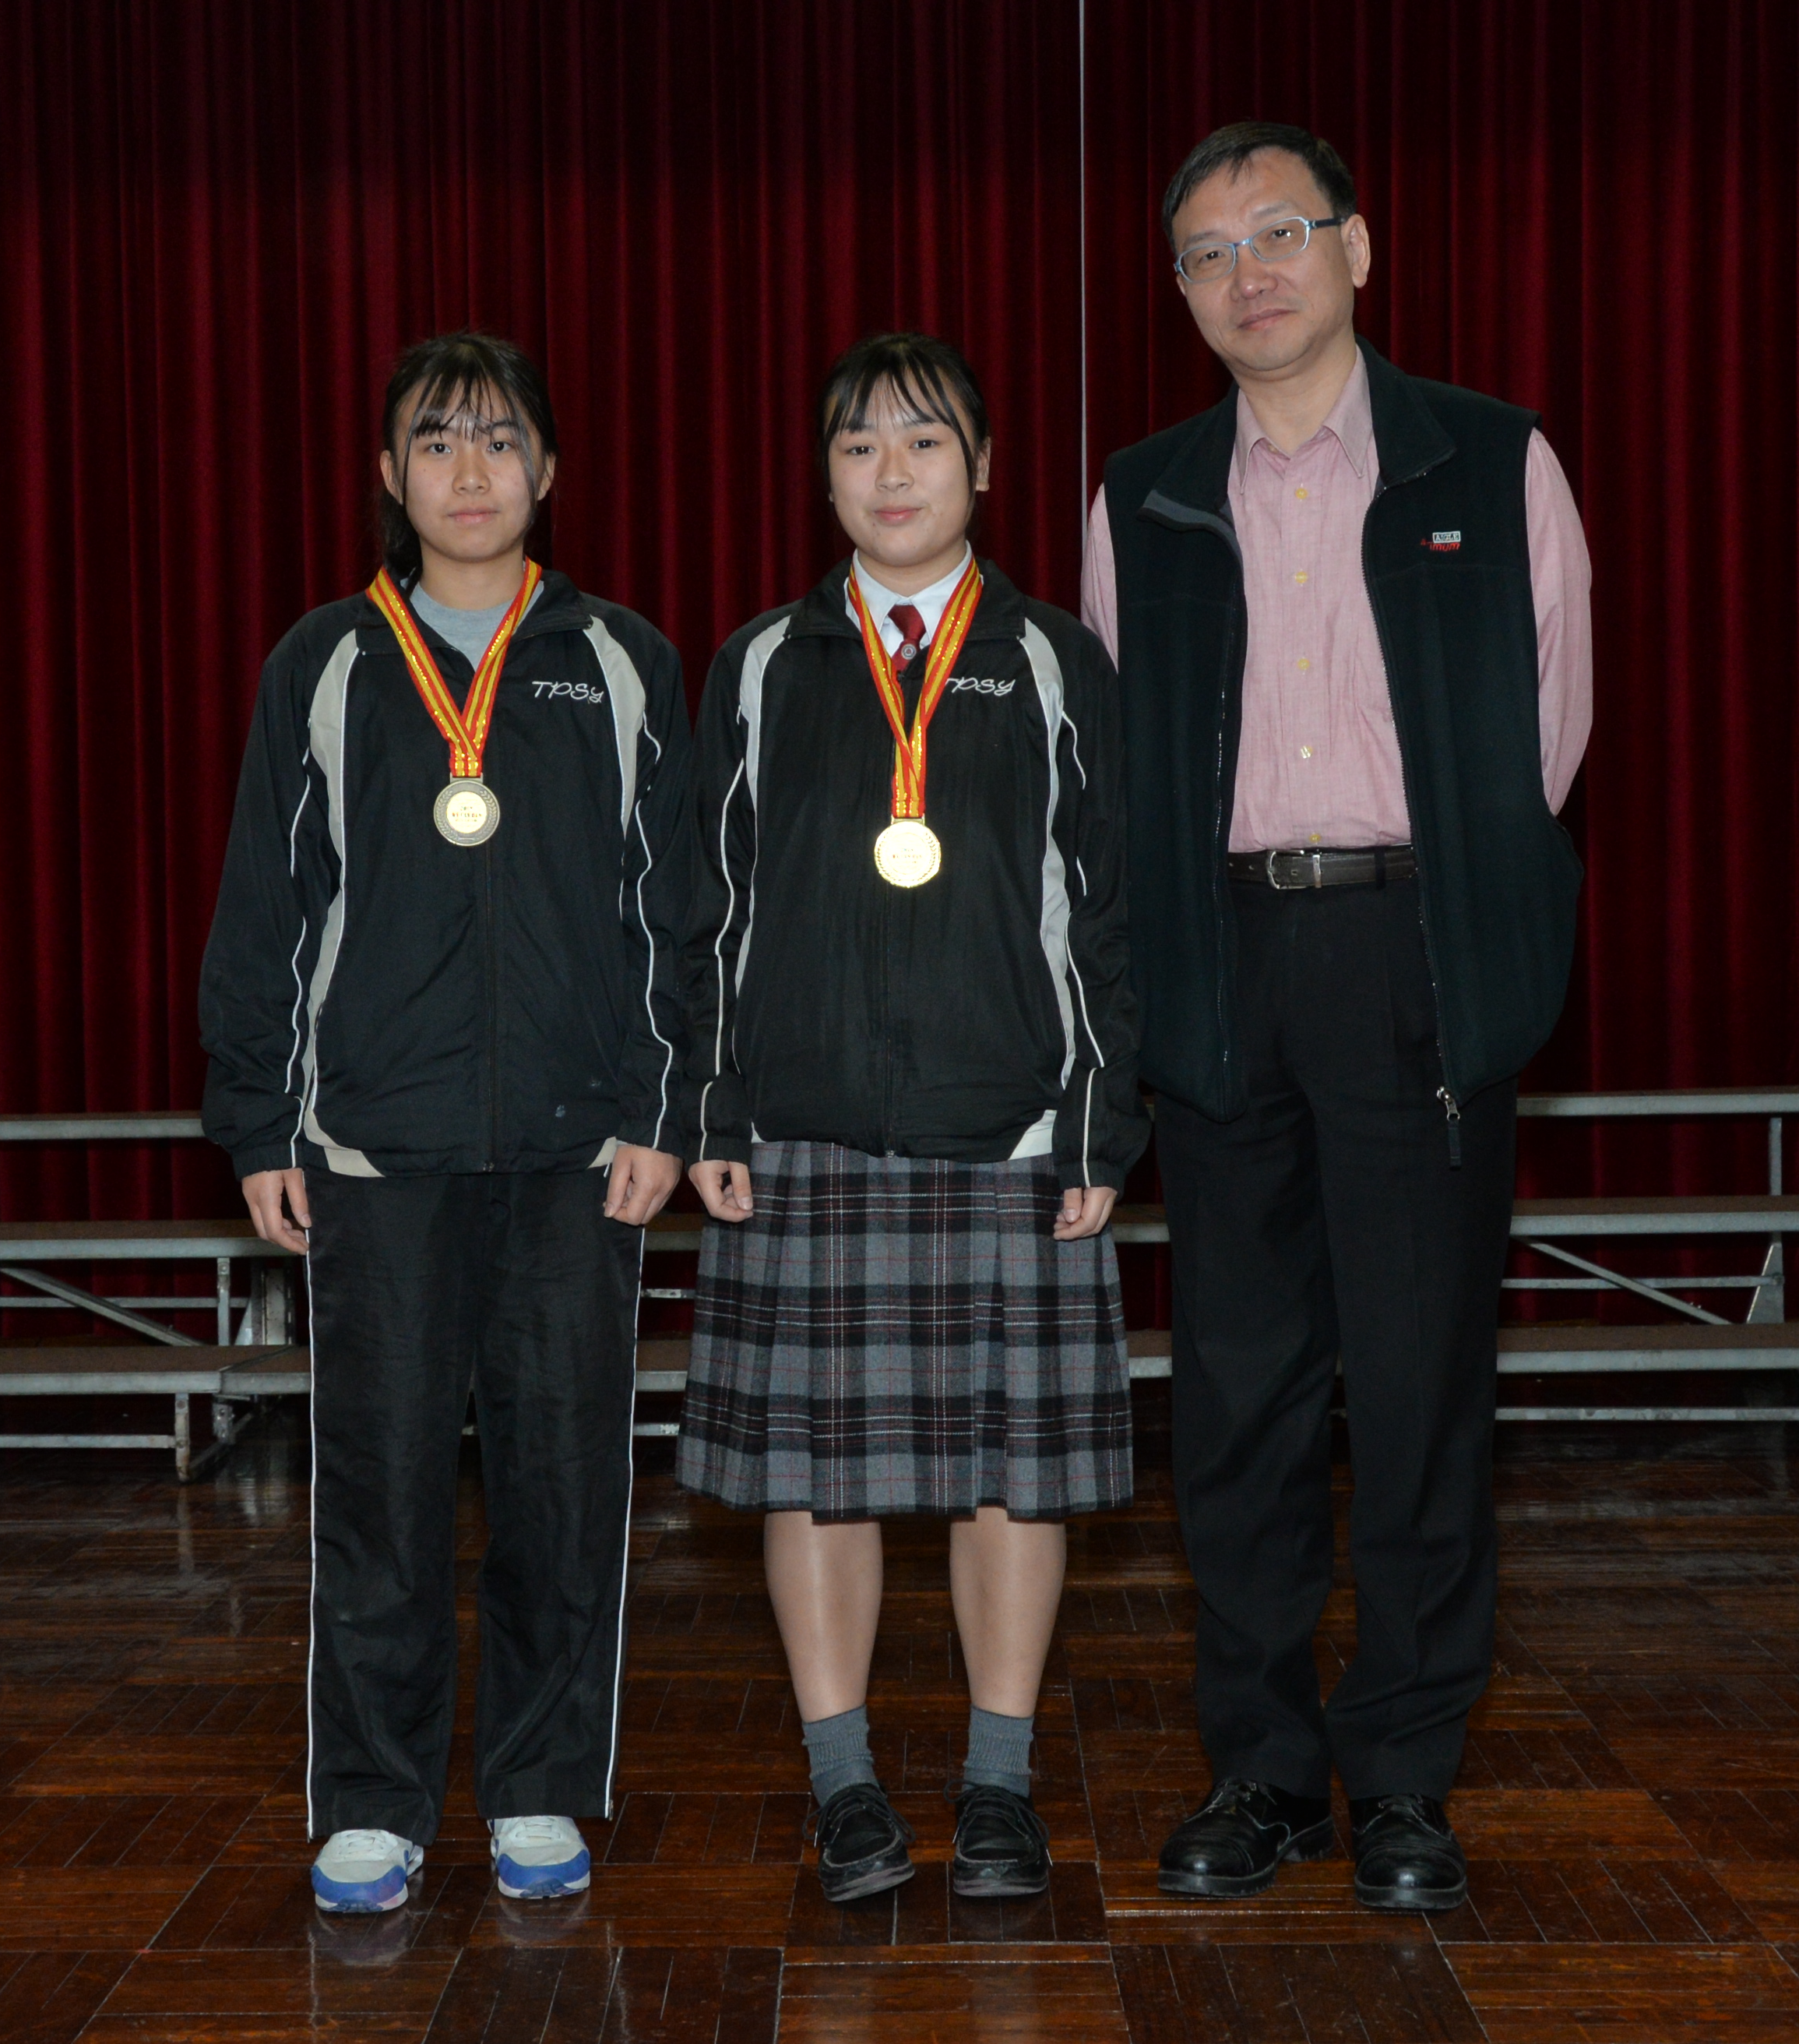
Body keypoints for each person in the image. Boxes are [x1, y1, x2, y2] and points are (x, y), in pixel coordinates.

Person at [1080, 122, 1593, 1912]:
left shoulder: (1493, 460)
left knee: (1421, 1379)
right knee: (1237, 1395)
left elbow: (1545, 742)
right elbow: (1120, 764)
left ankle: (1405, 1778)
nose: (1252, 275)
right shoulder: (1143, 494)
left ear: (1358, 250)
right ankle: (1263, 1770)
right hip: (1220, 964)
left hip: (1411, 958)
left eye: (1282, 233)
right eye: (1209, 253)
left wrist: (1449, 922)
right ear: (1182, 294)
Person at [199, 332, 698, 1913]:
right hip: (373, 1151)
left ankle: (542, 1787)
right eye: (436, 440)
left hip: (579, 1154)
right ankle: (373, 1798)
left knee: (564, 1487)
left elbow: (678, 910)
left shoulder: (623, 659)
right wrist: (262, 1123)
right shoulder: (323, 663)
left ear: (547, 468)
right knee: (382, 1493)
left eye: (497, 440)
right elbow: (265, 909)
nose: (468, 470)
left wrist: (666, 1108)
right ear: (389, 474)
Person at [680, 333, 1142, 1905]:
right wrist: (713, 1110)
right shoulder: (759, 663)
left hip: (1009, 1133)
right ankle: (846, 1786)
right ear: (824, 476)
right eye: (861, 445)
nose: (893, 473)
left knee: (1016, 1474)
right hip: (801, 1133)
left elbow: (1113, 910)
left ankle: (999, 1785)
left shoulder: (1059, 659)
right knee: (816, 1473)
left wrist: (1099, 1122)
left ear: (985, 468)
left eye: (926, 442)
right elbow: (703, 914)